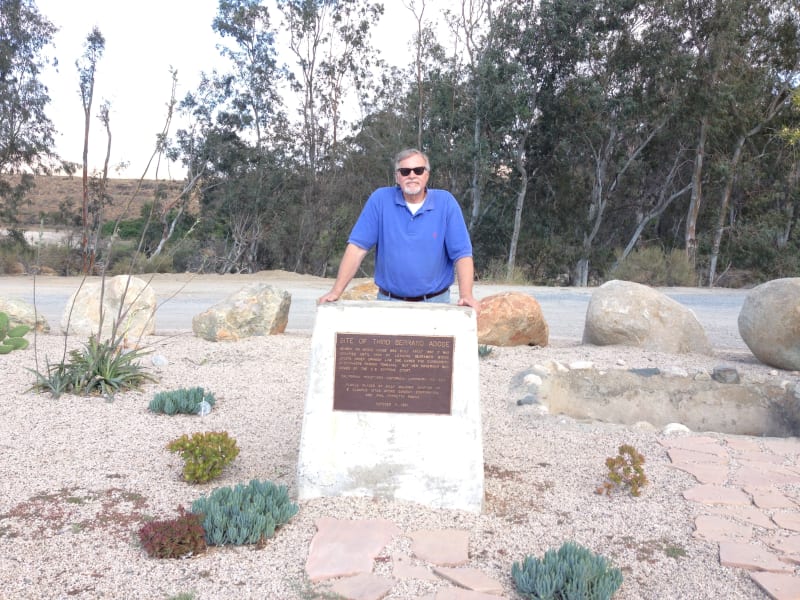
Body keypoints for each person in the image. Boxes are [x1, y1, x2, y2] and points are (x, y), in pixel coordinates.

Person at [318, 148, 480, 312]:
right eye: (404, 171)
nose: (411, 175)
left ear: (427, 175)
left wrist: (466, 295)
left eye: (418, 170)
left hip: (436, 303)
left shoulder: (446, 203)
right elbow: (357, 248)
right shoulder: (380, 200)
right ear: (397, 177)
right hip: (388, 303)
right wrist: (336, 291)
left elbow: (462, 254)